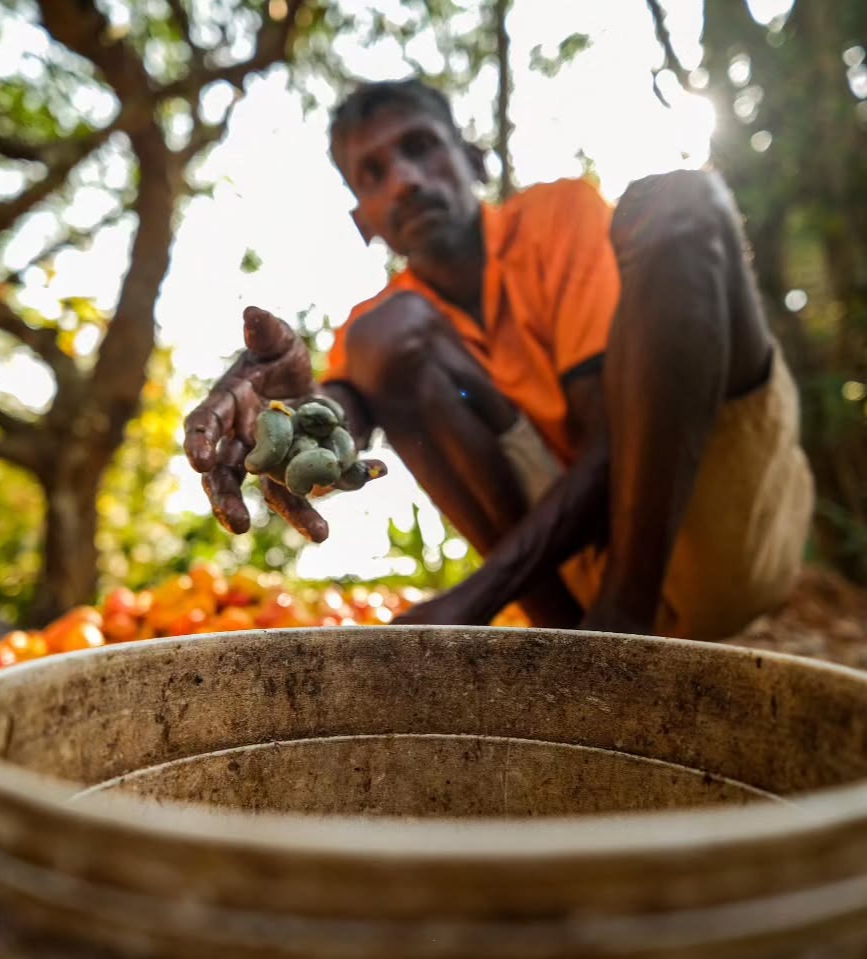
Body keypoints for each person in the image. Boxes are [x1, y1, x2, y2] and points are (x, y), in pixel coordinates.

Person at [184, 79, 813, 640]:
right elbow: (336, 430)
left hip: (714, 520)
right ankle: (571, 639)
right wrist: (292, 421)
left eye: (420, 147)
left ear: (473, 159)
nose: (403, 180)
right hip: (577, 567)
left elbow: (619, 440)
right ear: (363, 221)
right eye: (372, 175)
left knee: (679, 207)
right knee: (387, 335)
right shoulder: (377, 325)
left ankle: (622, 627)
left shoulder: (557, 219)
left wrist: (474, 598)